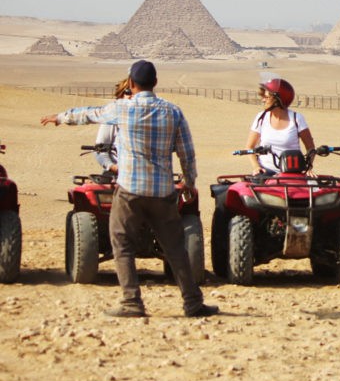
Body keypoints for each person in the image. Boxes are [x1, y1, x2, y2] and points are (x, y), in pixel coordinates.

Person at [41, 60, 217, 318]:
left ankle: (132, 302)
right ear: (155, 83)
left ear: (131, 84)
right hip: (162, 191)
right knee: (175, 248)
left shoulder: (122, 109)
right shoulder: (173, 112)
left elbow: (88, 114)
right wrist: (189, 182)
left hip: (130, 188)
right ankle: (192, 302)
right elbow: (187, 154)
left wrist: (59, 118)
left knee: (121, 243)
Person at [246, 75, 315, 176]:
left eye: (266, 97)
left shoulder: (296, 118)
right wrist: (257, 167)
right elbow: (249, 147)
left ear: (278, 99)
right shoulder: (261, 118)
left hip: (292, 172)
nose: (263, 100)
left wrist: (308, 167)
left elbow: (310, 147)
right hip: (266, 172)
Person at [94, 77, 132, 174]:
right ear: (121, 95)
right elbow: (101, 151)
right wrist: (113, 167)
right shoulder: (112, 118)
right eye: (128, 92)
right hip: (118, 175)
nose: (132, 96)